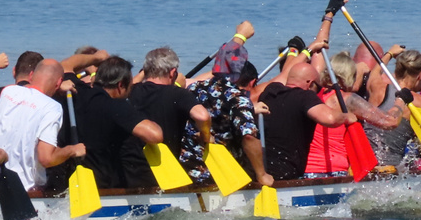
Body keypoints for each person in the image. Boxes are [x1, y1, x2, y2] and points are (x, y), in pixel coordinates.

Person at [178, 21, 273, 188]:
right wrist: (262, 174)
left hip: (186, 171)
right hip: (219, 176)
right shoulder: (239, 99)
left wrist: (239, 37)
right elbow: (249, 136)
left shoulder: (194, 88)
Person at [0, 59, 85, 194]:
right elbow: (46, 158)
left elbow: (29, 94)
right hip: (22, 192)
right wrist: (72, 150)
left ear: (31, 75)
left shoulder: (8, 92)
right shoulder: (53, 108)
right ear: (58, 83)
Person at [257, 60, 360, 182]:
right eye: (318, 87)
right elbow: (330, 119)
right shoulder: (305, 96)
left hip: (263, 170)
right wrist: (346, 117)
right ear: (310, 84)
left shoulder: (270, 92)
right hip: (287, 174)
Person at [69, 56, 164, 189]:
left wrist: (95, 56)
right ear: (120, 85)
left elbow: (63, 66)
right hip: (104, 186)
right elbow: (155, 136)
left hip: (76, 180)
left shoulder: (78, 91)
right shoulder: (116, 107)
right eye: (130, 86)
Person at [130, 47, 211, 157]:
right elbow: (203, 116)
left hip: (132, 164)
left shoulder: (130, 92)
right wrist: (205, 137)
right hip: (166, 166)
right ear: (173, 73)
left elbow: (127, 86)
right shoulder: (179, 94)